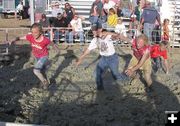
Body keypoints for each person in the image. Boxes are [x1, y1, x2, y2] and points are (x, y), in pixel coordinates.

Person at [10, 23, 59, 89]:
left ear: (40, 32)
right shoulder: (30, 37)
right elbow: (21, 38)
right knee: (41, 71)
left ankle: (45, 82)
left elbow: (52, 43)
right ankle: (45, 81)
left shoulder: (45, 40)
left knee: (36, 70)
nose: (33, 34)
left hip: (44, 56)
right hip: (37, 56)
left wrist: (56, 49)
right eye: (32, 32)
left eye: (35, 32)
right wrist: (14, 39)